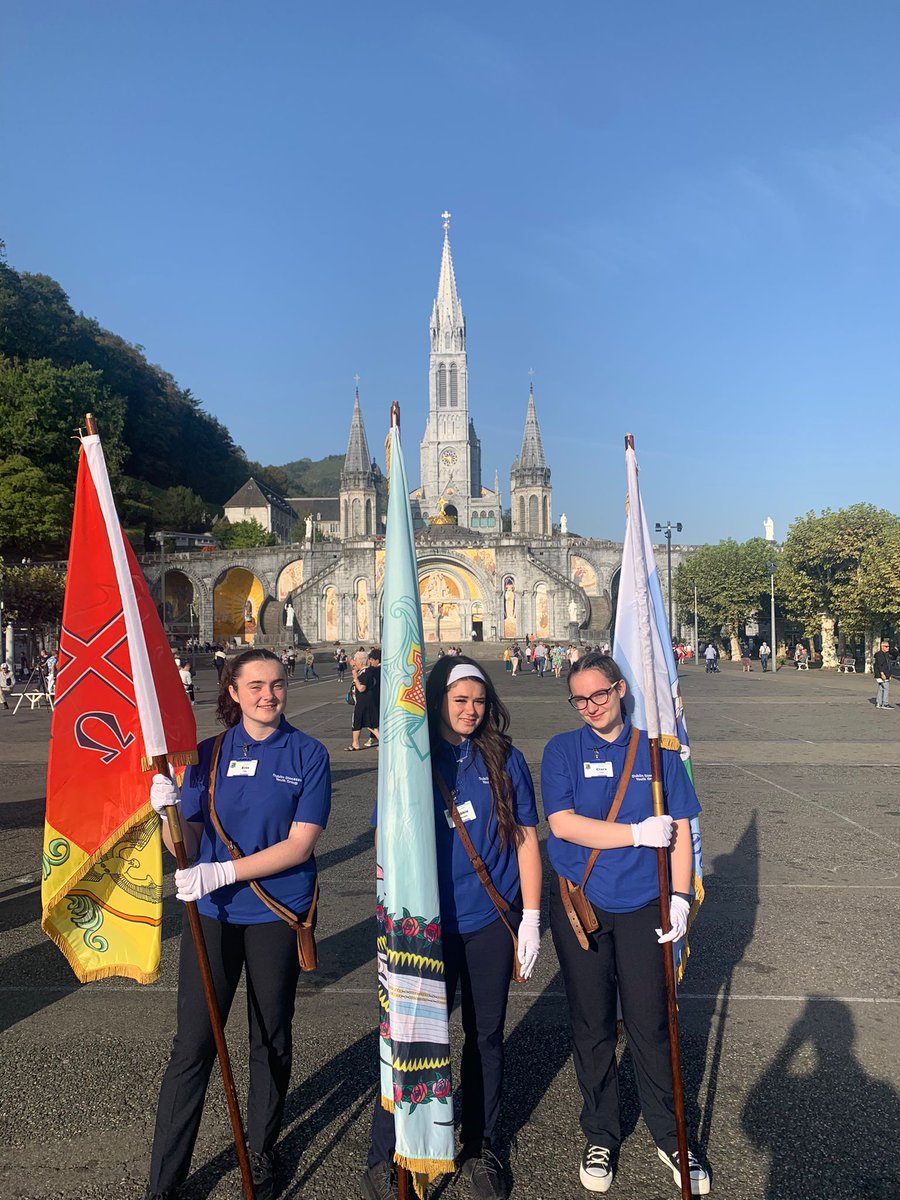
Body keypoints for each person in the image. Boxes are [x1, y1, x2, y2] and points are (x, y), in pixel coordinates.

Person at [145, 648, 331, 1200]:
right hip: (214, 915)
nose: (268, 695)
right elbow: (189, 842)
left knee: (268, 1036)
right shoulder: (207, 753)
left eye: (276, 684)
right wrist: (166, 814)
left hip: (276, 913)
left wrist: (224, 870)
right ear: (233, 691)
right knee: (193, 1046)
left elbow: (300, 845)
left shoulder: (308, 753)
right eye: (255, 686)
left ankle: (262, 1148)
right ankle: (164, 1180)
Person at [361, 656, 542, 1200]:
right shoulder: (409, 758)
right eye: (460, 700)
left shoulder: (505, 757)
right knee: (411, 1037)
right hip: (426, 925)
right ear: (438, 698)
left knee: (485, 1036)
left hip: (489, 919)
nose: (470, 710)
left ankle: (485, 1146)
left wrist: (531, 915)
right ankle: (392, 1148)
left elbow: (526, 838)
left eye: (478, 701)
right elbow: (384, 840)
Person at [540, 652, 709, 1196]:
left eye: (600, 694)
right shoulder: (563, 750)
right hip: (581, 905)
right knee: (591, 1024)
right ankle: (600, 1131)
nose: (591, 706)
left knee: (650, 1022)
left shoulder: (659, 755)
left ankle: (671, 1133)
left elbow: (681, 826)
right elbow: (562, 824)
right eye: (580, 699)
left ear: (621, 690)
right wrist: (636, 834)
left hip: (644, 904)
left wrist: (681, 896)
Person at [347, 647, 381, 751]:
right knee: (359, 722)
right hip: (363, 701)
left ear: (361, 661)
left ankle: (383, 741)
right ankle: (355, 743)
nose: (355, 663)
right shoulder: (363, 671)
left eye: (356, 660)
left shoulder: (366, 673)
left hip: (364, 701)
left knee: (368, 723)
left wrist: (355, 678)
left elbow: (361, 688)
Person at [873, 639, 893, 708]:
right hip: (882, 674)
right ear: (882, 647)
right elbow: (880, 665)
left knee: (881, 688)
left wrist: (889, 674)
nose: (888, 648)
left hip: (884, 673)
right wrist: (882, 674)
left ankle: (879, 703)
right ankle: (885, 703)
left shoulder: (886, 654)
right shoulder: (880, 655)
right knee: (886, 688)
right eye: (886, 646)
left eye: (888, 646)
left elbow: (887, 665)